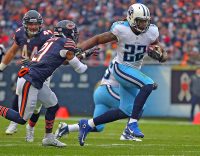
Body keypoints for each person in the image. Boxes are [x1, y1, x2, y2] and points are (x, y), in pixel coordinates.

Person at [75, 3, 168, 146]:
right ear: (131, 19)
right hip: (121, 69)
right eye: (140, 21)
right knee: (148, 84)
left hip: (133, 71)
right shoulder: (121, 29)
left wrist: (161, 56)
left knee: (126, 110)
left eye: (145, 21)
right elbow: (98, 39)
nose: (143, 24)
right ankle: (132, 126)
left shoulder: (152, 31)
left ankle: (87, 124)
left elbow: (161, 52)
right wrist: (79, 48)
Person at [0, 19, 94, 147]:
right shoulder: (66, 43)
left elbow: (64, 59)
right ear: (69, 33)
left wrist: (82, 55)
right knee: (21, 119)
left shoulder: (52, 40)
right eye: (73, 32)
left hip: (35, 79)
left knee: (53, 105)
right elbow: (80, 69)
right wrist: (84, 58)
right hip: (30, 79)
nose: (75, 35)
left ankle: (48, 138)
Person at [55, 57, 142, 141]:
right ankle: (127, 133)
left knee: (97, 126)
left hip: (100, 92)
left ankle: (66, 128)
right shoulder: (124, 63)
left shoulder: (120, 60)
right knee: (137, 106)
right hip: (108, 90)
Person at [0, 10, 53, 142]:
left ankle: (30, 128)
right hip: (26, 70)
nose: (33, 27)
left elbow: (50, 55)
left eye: (35, 24)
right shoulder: (19, 33)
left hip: (42, 72)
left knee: (37, 106)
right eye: (30, 24)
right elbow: (12, 52)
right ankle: (14, 123)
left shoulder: (47, 36)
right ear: (25, 24)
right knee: (19, 93)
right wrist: (1, 67)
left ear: (40, 24)